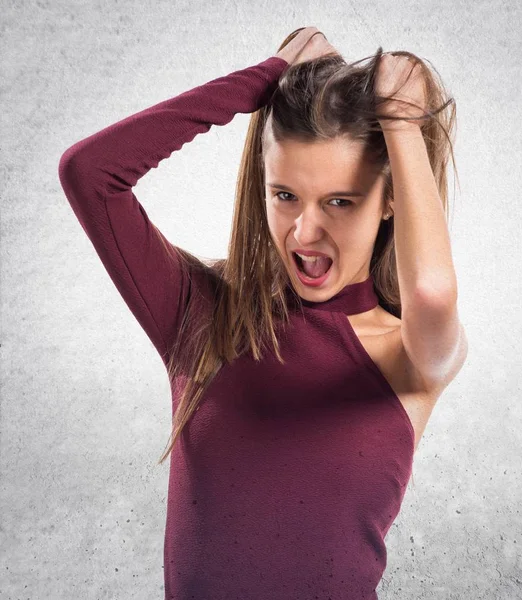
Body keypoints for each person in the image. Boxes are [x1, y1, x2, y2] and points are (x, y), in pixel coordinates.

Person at [58, 25, 467, 600]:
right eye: (285, 195)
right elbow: (89, 174)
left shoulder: (408, 354)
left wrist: (401, 120)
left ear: (392, 198)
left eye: (340, 201)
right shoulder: (201, 314)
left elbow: (430, 292)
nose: (304, 232)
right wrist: (264, 76)